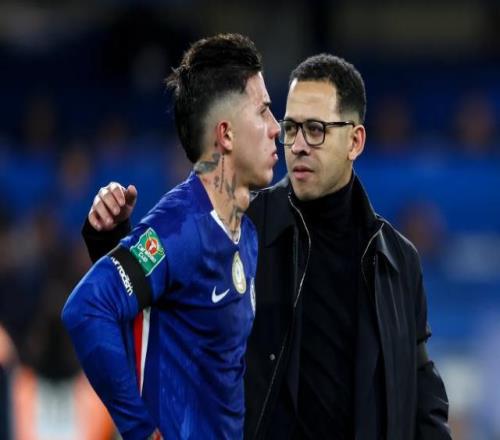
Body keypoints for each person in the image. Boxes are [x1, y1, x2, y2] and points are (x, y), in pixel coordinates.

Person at [82, 54, 451, 439]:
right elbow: (155, 318)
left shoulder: (397, 259)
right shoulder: (239, 223)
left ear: (355, 141)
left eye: (315, 129)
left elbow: (421, 390)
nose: (298, 145)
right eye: (290, 128)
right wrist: (110, 238)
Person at [62, 33, 280, 440]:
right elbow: (87, 308)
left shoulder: (245, 234)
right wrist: (140, 430)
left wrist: (112, 241)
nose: (276, 128)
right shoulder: (182, 226)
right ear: (226, 135)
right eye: (263, 111)